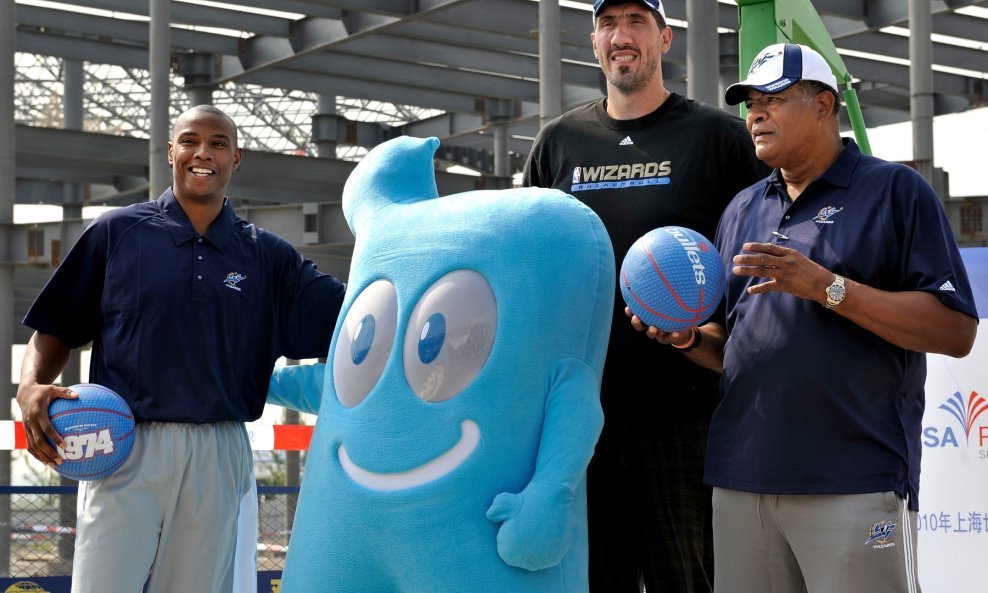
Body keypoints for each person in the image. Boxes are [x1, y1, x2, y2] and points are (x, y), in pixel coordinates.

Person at [632, 43, 979, 593]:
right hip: (741, 482)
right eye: (750, 104)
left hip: (852, 481)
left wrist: (826, 287)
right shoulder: (743, 207)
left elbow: (955, 330)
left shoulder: (894, 191)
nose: (756, 115)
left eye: (772, 99)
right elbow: (731, 343)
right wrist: (687, 337)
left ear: (824, 106)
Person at [15, 104, 346, 593]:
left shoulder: (268, 257)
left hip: (218, 448)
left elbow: (357, 316)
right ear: (170, 150)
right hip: (123, 444)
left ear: (237, 158)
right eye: (190, 140)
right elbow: (54, 327)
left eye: (217, 143)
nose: (202, 153)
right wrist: (29, 385)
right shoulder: (116, 233)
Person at [523, 1, 766, 591]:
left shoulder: (717, 138)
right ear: (594, 41)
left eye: (636, 22)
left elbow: (763, 255)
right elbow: (525, 259)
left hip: (686, 411)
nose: (621, 36)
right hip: (580, 415)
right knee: (592, 579)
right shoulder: (559, 142)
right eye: (609, 24)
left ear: (665, 39)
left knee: (686, 578)